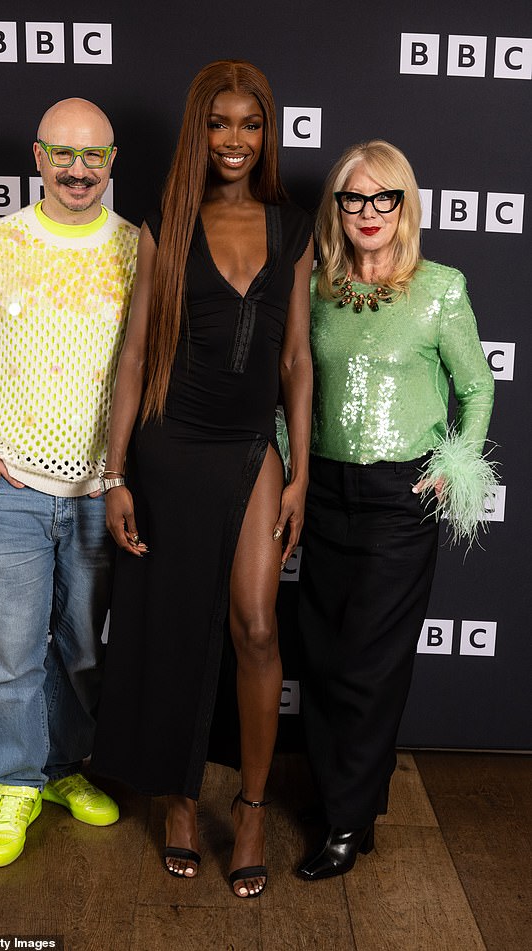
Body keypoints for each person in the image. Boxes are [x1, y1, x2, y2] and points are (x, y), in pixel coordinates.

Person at [91, 60, 313, 899]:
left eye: (249, 124)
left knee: (256, 623)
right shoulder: (168, 221)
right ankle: (181, 801)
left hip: (252, 445)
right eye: (219, 124)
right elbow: (136, 355)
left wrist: (299, 472)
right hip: (170, 445)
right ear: (199, 130)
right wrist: (117, 473)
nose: (234, 140)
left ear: (267, 133)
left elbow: (296, 359)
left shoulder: (291, 229)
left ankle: (249, 806)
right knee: (176, 625)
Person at [0, 98, 139, 867]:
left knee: (82, 649)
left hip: (98, 495)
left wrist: (127, 473)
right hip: (9, 489)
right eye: (63, 155)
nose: (79, 172)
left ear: (112, 161)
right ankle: (14, 782)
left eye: (94, 157)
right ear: (37, 157)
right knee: (11, 652)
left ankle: (63, 771)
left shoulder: (139, 251)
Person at [297, 139, 497, 881]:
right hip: (323, 492)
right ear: (338, 208)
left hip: (398, 499)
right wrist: (288, 468)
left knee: (369, 666)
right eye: (355, 198)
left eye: (386, 198)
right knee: (319, 655)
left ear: (405, 206)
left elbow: (476, 386)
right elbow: (297, 390)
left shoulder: (441, 287)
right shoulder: (315, 285)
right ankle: (343, 800)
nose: (370, 212)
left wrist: (457, 462)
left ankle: (347, 823)